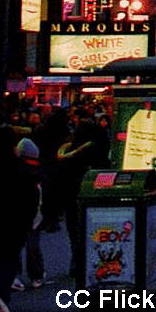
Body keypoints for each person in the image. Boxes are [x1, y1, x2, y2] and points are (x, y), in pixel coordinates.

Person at [0, 136, 41, 312]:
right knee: (9, 260)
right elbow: (31, 197)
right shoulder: (20, 168)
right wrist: (28, 221)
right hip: (14, 223)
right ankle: (1, 295)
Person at [55, 102, 110, 283]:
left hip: (71, 194)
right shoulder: (94, 148)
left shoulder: (69, 150)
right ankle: (88, 261)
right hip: (91, 195)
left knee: (74, 229)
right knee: (89, 229)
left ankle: (75, 260)